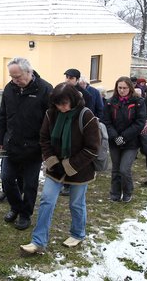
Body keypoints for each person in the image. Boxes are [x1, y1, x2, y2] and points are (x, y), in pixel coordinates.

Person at [20, 82, 100, 254]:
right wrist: (53, 162)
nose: (61, 107)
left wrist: (69, 166)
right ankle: (38, 241)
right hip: (55, 167)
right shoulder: (51, 114)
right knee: (47, 200)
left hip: (80, 169)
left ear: (72, 100)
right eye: (57, 104)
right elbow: (44, 139)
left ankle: (78, 233)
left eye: (64, 104)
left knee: (76, 203)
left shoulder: (86, 116)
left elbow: (92, 148)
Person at [0, 57, 52, 230]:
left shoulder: (45, 89)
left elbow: (50, 122)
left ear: (29, 72)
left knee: (30, 184)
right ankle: (15, 207)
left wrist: (46, 147)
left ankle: (25, 214)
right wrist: (0, 140)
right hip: (12, 144)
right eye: (12, 77)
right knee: (6, 179)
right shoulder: (9, 88)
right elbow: (3, 115)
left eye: (18, 77)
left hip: (34, 148)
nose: (15, 80)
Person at [102, 76, 146, 202]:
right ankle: (115, 192)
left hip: (131, 141)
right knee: (115, 169)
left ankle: (128, 191)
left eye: (125, 88)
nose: (122, 90)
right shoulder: (110, 102)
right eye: (119, 88)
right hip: (114, 140)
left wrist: (124, 136)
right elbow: (106, 121)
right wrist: (115, 136)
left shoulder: (138, 102)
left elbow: (140, 122)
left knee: (124, 169)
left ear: (130, 88)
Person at [61, 68, 94, 196]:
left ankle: (71, 183)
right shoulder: (61, 90)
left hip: (77, 129)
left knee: (74, 155)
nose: (68, 80)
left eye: (71, 78)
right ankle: (64, 181)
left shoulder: (85, 94)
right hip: (63, 127)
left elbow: (88, 113)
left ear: (77, 80)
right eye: (67, 77)